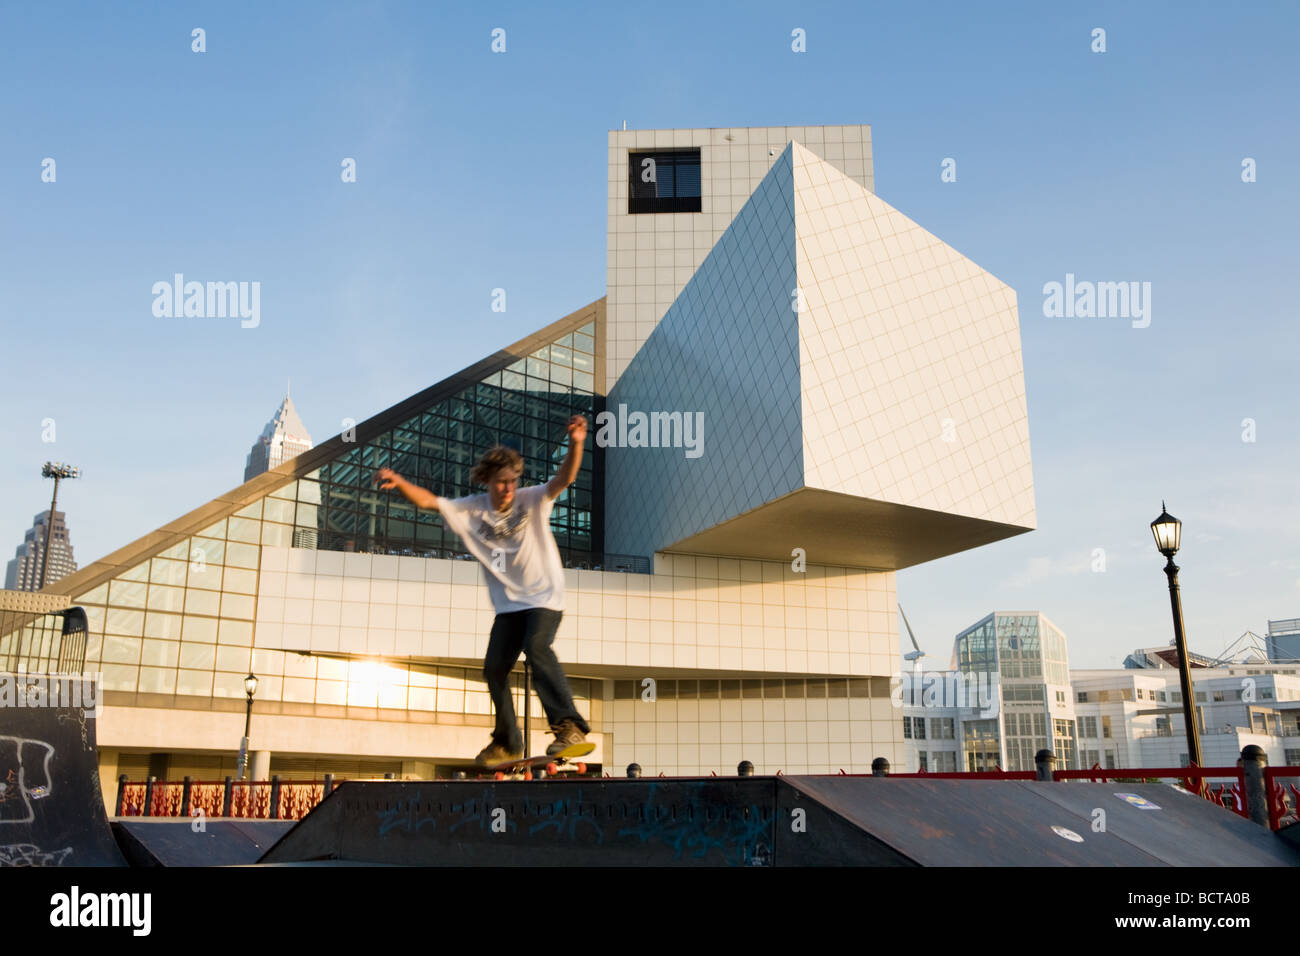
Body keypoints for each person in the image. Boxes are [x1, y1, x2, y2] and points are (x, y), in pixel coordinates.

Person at [373, 415, 591, 767]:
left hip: (545, 596)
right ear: (488, 481)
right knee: (493, 668)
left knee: (537, 647)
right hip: (508, 607)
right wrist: (399, 481)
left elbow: (564, 478)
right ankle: (507, 742)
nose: (507, 490)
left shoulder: (533, 499)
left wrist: (577, 443)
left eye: (512, 482)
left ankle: (569, 727)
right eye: (501, 483)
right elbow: (430, 502)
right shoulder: (471, 509)